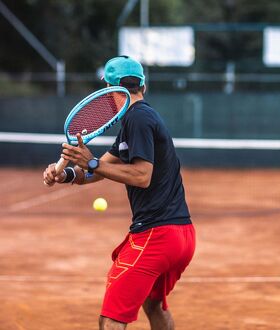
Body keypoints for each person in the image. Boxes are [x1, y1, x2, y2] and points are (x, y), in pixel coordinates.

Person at [43, 56, 195, 330]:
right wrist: (66, 174)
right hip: (181, 234)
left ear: (111, 93)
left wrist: (90, 161)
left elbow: (141, 176)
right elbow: (99, 170)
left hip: (156, 235)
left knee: (110, 320)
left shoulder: (138, 118)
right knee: (153, 303)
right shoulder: (136, 120)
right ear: (143, 87)